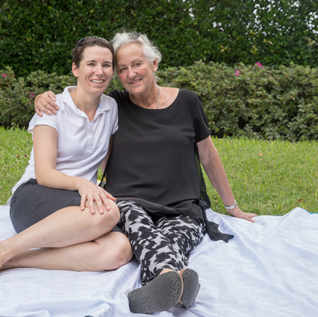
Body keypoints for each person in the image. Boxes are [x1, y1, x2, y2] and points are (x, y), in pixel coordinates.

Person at [35, 31, 258, 314]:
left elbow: (209, 155)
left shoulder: (188, 102)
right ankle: (176, 282)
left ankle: (164, 283)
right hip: (128, 202)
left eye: (137, 64)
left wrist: (232, 206)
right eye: (123, 69)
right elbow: (80, 93)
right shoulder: (114, 104)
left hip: (182, 207)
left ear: (154, 63)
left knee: (172, 240)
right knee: (145, 233)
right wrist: (44, 98)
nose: (131, 74)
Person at [0, 36, 133, 285]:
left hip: (79, 208)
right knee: (108, 212)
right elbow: (44, 173)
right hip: (34, 196)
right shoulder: (53, 106)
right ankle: (4, 247)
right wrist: (83, 184)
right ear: (75, 68)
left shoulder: (112, 107)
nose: (99, 71)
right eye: (91, 64)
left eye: (106, 65)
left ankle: (10, 258)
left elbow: (108, 161)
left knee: (119, 251)